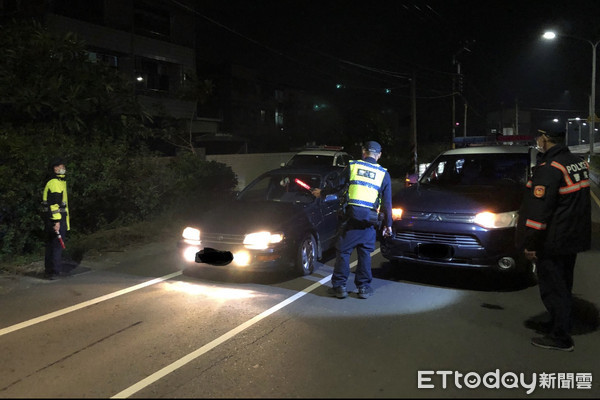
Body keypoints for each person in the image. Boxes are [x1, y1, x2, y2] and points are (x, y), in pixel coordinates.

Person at [516, 129, 591, 351]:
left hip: (553, 239)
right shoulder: (577, 163)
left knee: (553, 287)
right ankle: (557, 321)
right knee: (564, 284)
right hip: (571, 237)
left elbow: (539, 212)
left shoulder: (549, 169)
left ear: (545, 139)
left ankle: (561, 337)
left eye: (539, 138)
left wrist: (530, 244)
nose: (538, 141)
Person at [319, 141, 393, 299]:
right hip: (369, 221)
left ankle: (340, 287)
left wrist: (322, 192)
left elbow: (337, 185)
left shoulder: (353, 166)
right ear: (379, 155)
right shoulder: (383, 174)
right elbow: (387, 203)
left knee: (344, 252)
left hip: (350, 220)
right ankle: (364, 288)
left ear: (363, 152)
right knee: (365, 254)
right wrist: (388, 225)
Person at [42, 158, 70, 280]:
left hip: (51, 218)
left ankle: (49, 271)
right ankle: (55, 271)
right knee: (57, 245)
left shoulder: (55, 182)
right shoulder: (55, 183)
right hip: (56, 218)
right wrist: (57, 221)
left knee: (51, 245)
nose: (63, 168)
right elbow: (55, 204)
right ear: (55, 169)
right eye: (61, 166)